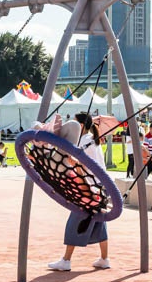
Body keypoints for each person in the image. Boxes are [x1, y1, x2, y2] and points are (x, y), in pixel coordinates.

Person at [48, 112, 111, 271]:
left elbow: (83, 166)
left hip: (89, 188)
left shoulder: (84, 141)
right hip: (101, 187)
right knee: (99, 223)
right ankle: (104, 258)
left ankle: (66, 260)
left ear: (80, 126)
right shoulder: (92, 140)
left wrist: (72, 162)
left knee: (75, 221)